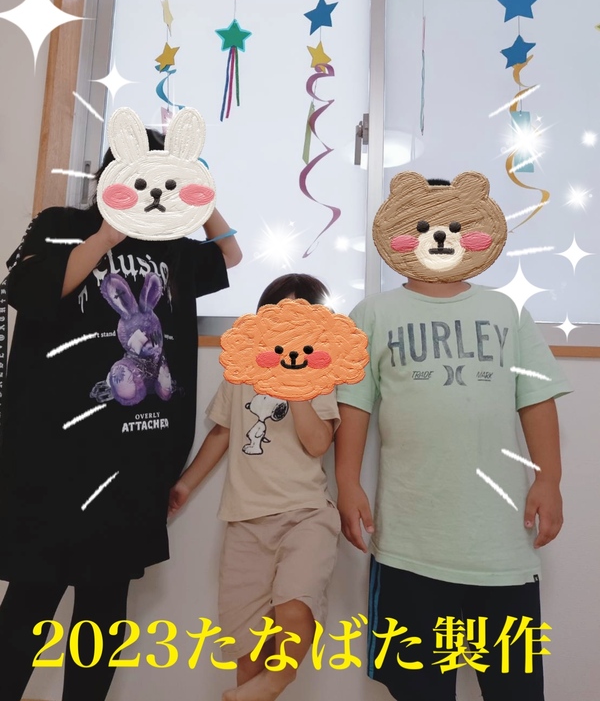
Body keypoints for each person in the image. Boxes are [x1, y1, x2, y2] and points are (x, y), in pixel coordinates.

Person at [0, 128, 242, 701]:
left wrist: (198, 194)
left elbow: (229, 254)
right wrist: (108, 233)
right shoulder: (62, 223)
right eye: (142, 176)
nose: (154, 191)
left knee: (104, 610)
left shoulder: (173, 246)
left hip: (135, 461)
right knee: (31, 601)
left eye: (166, 180)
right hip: (52, 461)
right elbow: (29, 291)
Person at [335, 176, 571, 701]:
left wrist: (549, 479)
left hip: (501, 549)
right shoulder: (373, 314)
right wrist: (346, 482)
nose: (439, 237)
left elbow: (536, 397)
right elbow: (354, 404)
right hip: (408, 548)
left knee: (515, 691)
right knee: (418, 690)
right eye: (422, 226)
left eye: (454, 226)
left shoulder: (506, 311)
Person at [169, 273, 341, 701]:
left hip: (305, 514)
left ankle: (278, 680)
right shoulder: (242, 371)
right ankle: (258, 688)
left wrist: (295, 388)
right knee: (247, 645)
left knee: (296, 604)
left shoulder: (321, 375)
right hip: (245, 521)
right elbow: (222, 432)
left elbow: (318, 443)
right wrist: (186, 484)